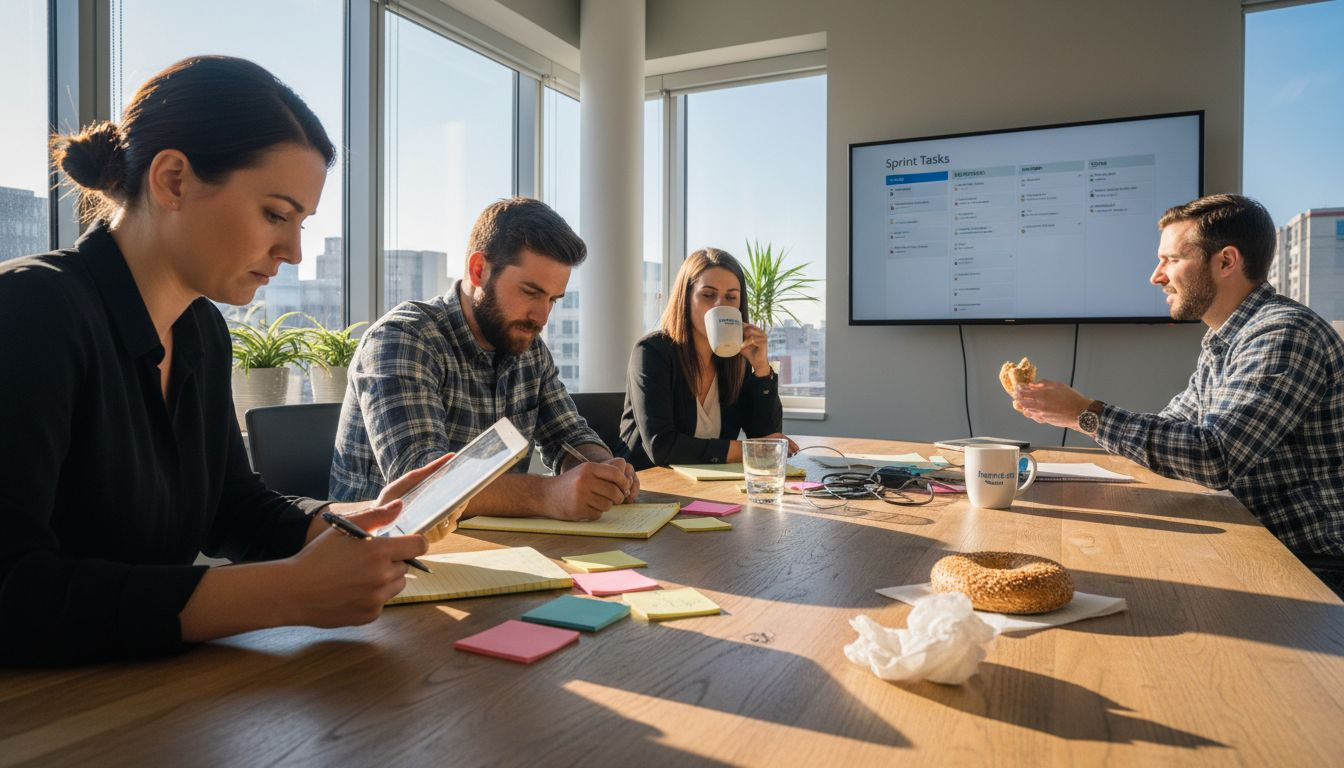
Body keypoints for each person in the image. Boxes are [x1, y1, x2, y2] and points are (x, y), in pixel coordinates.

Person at [0, 57, 451, 667]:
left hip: (150, 702)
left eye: (301, 223)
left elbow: (232, 508)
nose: (293, 251)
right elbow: (13, 591)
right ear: (174, 180)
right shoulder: (32, 309)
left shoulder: (201, 331)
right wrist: (285, 593)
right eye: (275, 214)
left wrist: (352, 521)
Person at [1014, 194, 1344, 590]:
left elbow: (1214, 456)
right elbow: (1173, 428)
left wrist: (1086, 414)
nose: (1157, 275)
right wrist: (1079, 415)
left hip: (1306, 566)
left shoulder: (1284, 334)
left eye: (1171, 260)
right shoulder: (1226, 339)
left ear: (1225, 262)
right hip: (1251, 542)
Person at [330, 198, 639, 520]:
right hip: (379, 552)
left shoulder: (527, 346)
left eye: (553, 299)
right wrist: (548, 494)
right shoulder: (402, 338)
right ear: (479, 270)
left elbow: (569, 436)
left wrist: (603, 469)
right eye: (530, 292)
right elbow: (420, 483)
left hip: (492, 547)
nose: (542, 316)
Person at [619, 247, 796, 469]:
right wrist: (748, 449)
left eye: (731, 297)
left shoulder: (735, 358)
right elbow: (662, 447)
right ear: (685, 299)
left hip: (710, 485)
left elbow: (767, 437)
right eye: (708, 295)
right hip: (647, 486)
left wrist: (761, 369)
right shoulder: (652, 352)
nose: (720, 305)